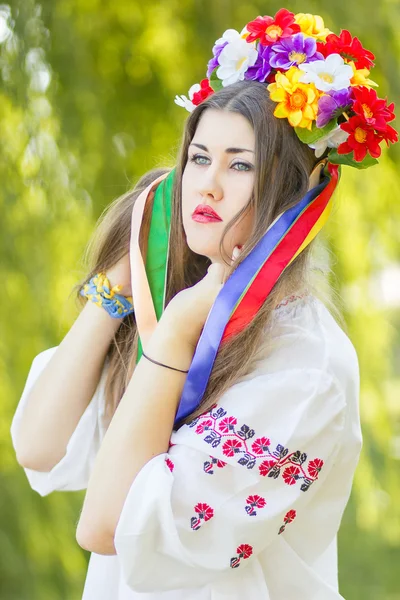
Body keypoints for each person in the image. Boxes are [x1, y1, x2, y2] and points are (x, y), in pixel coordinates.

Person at [10, 7, 397, 600]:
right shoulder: (170, 306)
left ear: (294, 193)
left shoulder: (304, 367)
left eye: (239, 165)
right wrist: (122, 271)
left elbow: (105, 526)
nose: (207, 185)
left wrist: (169, 343)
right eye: (198, 158)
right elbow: (38, 443)